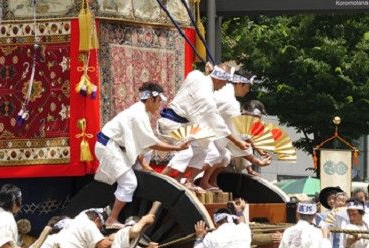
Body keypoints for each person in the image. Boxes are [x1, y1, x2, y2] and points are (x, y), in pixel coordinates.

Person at [94, 82, 189, 228]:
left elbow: (141, 143)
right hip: (109, 147)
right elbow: (151, 143)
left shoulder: (140, 111)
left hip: (116, 147)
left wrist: (144, 164)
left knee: (144, 155)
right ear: (151, 99)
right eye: (159, 101)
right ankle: (111, 219)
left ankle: (139, 171)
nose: (159, 105)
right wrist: (176, 148)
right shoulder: (138, 115)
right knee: (129, 183)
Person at [161, 65, 231, 190]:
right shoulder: (206, 98)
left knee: (203, 147)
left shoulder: (195, 75)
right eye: (225, 82)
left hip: (183, 127)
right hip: (171, 125)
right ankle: (161, 178)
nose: (225, 86)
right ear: (219, 79)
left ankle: (185, 180)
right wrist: (237, 141)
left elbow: (201, 76)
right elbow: (215, 121)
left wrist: (208, 72)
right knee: (187, 151)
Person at [201, 68, 255, 191]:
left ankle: (209, 180)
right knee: (216, 153)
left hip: (209, 130)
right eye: (247, 86)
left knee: (225, 156)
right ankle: (188, 180)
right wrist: (254, 159)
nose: (248, 90)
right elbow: (235, 136)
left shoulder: (226, 93)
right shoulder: (231, 103)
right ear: (240, 84)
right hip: (198, 129)